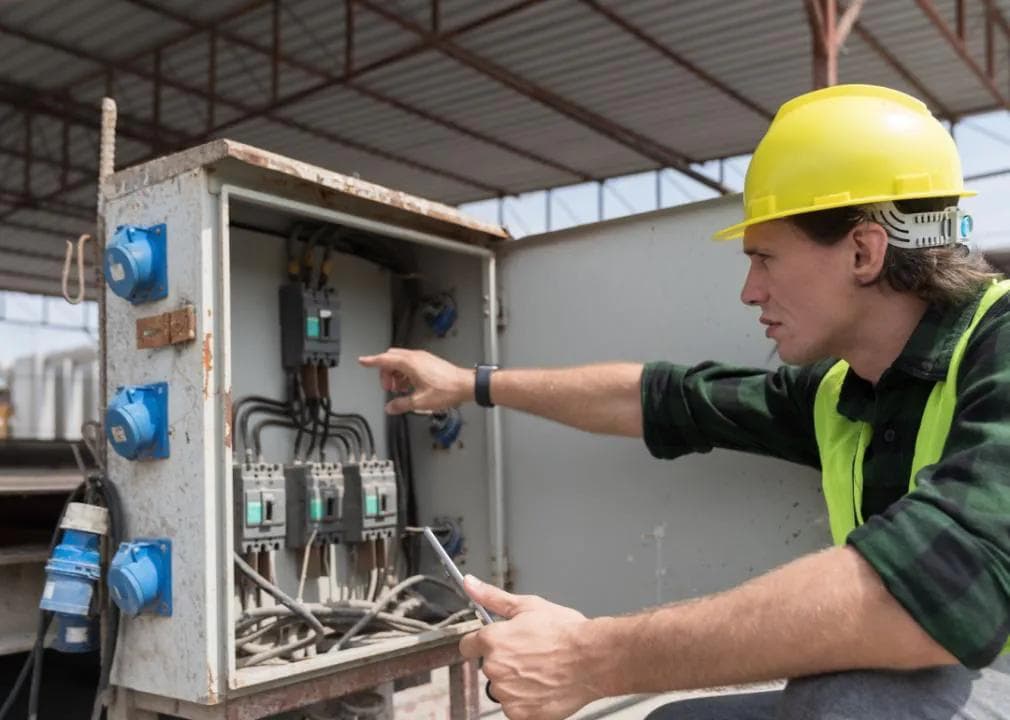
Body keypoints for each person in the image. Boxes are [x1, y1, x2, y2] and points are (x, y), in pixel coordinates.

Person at [359, 85, 1010, 720]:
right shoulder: (846, 393)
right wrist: (471, 383)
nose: (749, 291)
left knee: (846, 703)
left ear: (865, 251)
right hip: (956, 687)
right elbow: (664, 400)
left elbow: (939, 589)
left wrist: (588, 658)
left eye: (765, 258)